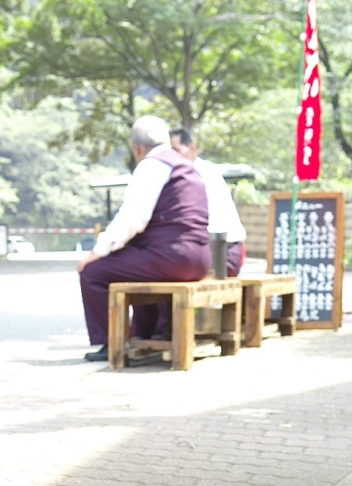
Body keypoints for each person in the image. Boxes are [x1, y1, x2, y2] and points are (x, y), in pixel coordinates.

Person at [77, 115, 210, 361]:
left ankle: (112, 343)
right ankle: (145, 335)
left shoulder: (153, 165)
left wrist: (98, 252)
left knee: (94, 273)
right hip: (201, 259)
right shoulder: (186, 165)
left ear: (136, 148)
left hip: (172, 257)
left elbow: (132, 218)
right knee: (134, 263)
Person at [169, 127, 247, 277]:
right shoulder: (194, 171)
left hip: (225, 251)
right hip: (212, 249)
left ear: (193, 148)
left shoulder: (199, 172)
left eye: (176, 150)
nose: (173, 156)